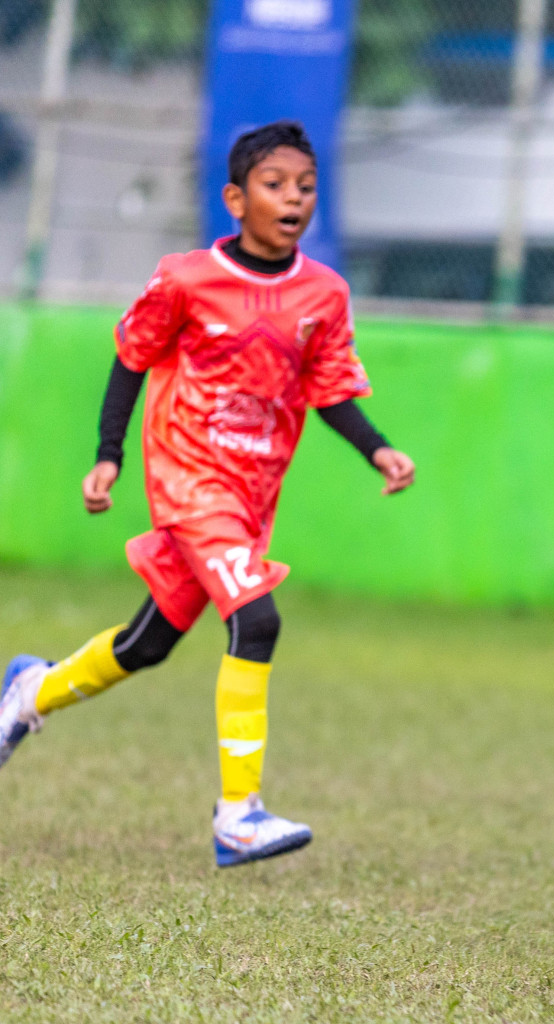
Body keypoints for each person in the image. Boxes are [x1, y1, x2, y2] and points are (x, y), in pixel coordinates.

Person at [0, 121, 416, 867]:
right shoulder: (187, 279)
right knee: (256, 621)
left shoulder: (325, 293)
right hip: (189, 482)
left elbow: (329, 391)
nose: (293, 199)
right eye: (275, 184)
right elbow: (132, 357)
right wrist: (107, 456)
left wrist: (378, 448)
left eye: (306, 187)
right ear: (235, 198)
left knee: (147, 644)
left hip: (250, 498)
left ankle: (27, 695)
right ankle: (238, 815)